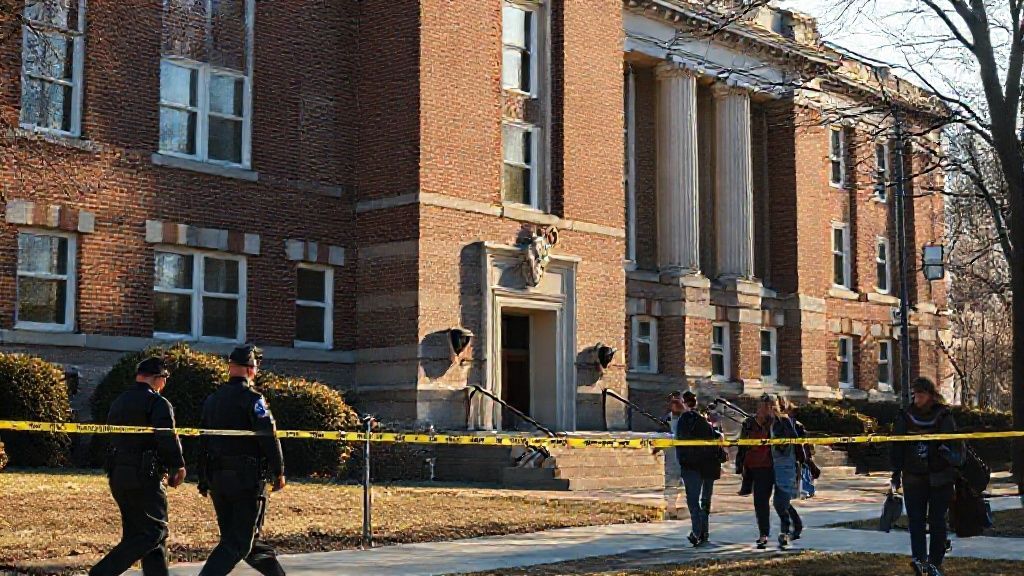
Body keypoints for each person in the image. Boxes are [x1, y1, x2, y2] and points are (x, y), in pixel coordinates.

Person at [90, 357, 185, 576]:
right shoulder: (158, 403)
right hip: (145, 475)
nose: (164, 385)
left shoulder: (119, 401)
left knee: (141, 534)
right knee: (154, 531)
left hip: (118, 473)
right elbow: (166, 436)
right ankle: (102, 572)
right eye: (165, 379)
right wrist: (177, 465)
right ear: (158, 378)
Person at [197, 345, 287, 576]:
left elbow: (203, 440)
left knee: (244, 539)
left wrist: (203, 478)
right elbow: (268, 436)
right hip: (246, 480)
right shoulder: (253, 399)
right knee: (238, 542)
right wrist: (279, 471)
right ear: (250, 369)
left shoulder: (212, 400)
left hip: (217, 478)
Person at [891, 377, 963, 576]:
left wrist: (946, 456)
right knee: (916, 520)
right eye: (915, 394)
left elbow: (953, 445)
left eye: (921, 394)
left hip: (940, 476)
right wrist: (895, 473)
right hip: (913, 476)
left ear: (930, 395)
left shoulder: (943, 415)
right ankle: (919, 558)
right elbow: (897, 446)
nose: (917, 399)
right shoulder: (905, 416)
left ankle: (935, 560)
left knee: (937, 519)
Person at [736, 393, 800, 549]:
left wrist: (803, 462)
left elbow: (796, 442)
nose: (765, 408)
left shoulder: (782, 421)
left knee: (780, 503)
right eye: (762, 404)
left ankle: (787, 531)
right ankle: (763, 534)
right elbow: (743, 445)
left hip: (780, 467)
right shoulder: (750, 422)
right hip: (760, 468)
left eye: (769, 404)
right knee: (760, 502)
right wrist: (740, 465)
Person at [675, 391, 722, 546]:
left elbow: (682, 440)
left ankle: (697, 532)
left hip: (692, 466)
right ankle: (703, 532)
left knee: (694, 501)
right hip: (707, 466)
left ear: (683, 403)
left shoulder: (685, 419)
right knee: (704, 501)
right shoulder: (704, 420)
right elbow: (714, 437)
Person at [660, 391, 686, 520]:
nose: (675, 405)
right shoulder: (666, 419)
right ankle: (671, 507)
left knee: (688, 481)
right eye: (673, 402)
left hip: (687, 455)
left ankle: (689, 507)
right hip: (671, 454)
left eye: (678, 402)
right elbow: (660, 434)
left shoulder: (689, 418)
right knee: (671, 480)